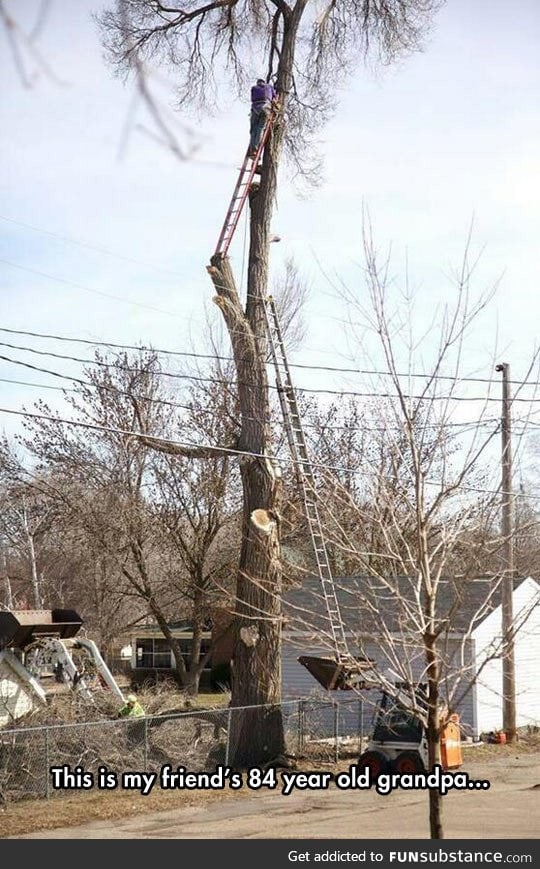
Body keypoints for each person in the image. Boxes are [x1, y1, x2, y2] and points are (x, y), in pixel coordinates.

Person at [248, 77, 277, 156]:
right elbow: (275, 99)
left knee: (253, 129)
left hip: (254, 110)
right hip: (265, 109)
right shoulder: (269, 87)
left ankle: (252, 147)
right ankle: (255, 148)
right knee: (260, 128)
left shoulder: (254, 88)